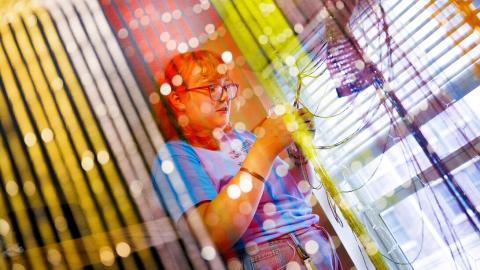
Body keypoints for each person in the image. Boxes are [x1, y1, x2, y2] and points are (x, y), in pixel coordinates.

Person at [152, 50, 341, 270]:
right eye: (211, 87)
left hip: (317, 242)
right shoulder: (175, 157)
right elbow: (212, 236)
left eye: (226, 86)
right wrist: (264, 149)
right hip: (270, 256)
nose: (224, 96)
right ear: (178, 99)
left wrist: (299, 153)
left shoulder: (243, 136)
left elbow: (300, 197)